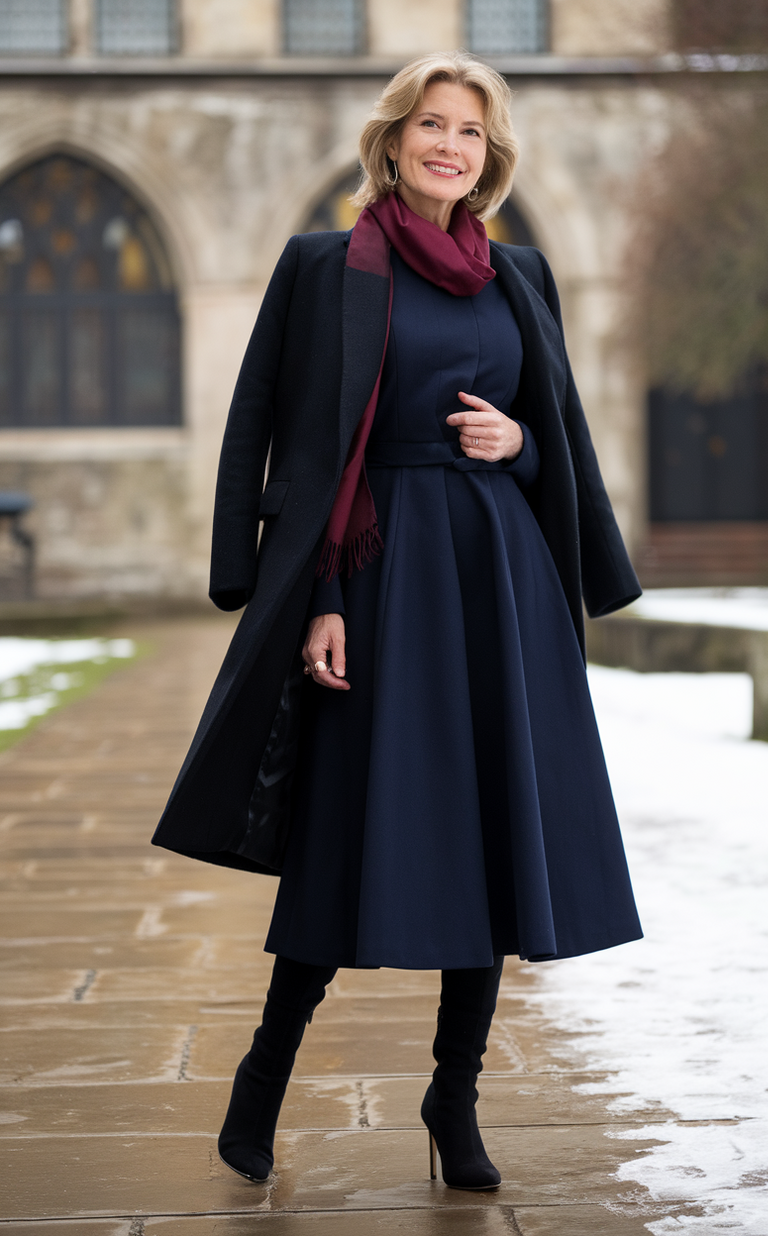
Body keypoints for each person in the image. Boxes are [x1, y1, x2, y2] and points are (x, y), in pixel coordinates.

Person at [152, 50, 643, 1192]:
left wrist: (516, 445)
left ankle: (452, 1096)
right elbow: (263, 426)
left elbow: (552, 427)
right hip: (371, 580)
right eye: (430, 124)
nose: (447, 146)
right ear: (392, 138)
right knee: (341, 830)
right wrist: (310, 594)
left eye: (469, 132)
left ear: (491, 155)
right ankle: (263, 1073)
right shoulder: (326, 266)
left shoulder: (520, 274)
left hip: (495, 575)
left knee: (486, 837)